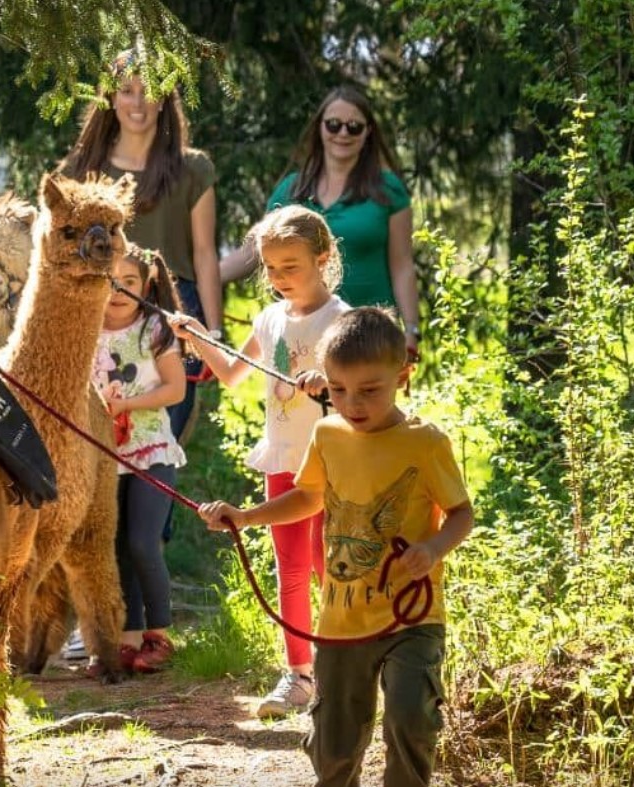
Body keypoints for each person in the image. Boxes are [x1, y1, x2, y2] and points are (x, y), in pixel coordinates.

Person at [198, 307, 474, 787]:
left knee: (411, 717)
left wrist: (432, 549)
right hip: (342, 622)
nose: (353, 403)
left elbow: (462, 514)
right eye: (339, 389)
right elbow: (308, 498)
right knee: (335, 743)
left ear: (402, 376)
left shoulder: (425, 442)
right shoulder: (326, 434)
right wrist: (244, 517)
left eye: (370, 390)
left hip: (413, 618)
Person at [171, 204, 349, 716]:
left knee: (329, 568)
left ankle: (343, 667)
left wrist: (328, 385)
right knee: (289, 569)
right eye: (270, 267)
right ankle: (299, 675)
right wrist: (198, 338)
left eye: (290, 265)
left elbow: (361, 393)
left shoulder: (341, 320)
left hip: (332, 467)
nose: (278, 278)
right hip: (283, 461)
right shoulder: (269, 318)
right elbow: (230, 372)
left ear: (323, 256)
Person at [60, 46, 222, 442]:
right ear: (110, 97)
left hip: (171, 310)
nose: (138, 102)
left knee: (158, 446)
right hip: (100, 310)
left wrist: (213, 336)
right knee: (96, 446)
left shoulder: (193, 169)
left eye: (149, 91)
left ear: (165, 99)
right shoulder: (80, 169)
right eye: (127, 90)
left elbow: (204, 255)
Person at [219, 85, 422, 363]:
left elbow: (402, 267)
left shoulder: (388, 190)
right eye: (334, 124)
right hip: (302, 331)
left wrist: (411, 330)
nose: (342, 134)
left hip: (369, 330)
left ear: (368, 132)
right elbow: (254, 251)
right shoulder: (291, 189)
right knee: (295, 403)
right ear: (320, 128)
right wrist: (201, 280)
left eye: (354, 127)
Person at [89, 244, 186, 675]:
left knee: (143, 541)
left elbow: (175, 389)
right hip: (104, 456)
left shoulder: (154, 328)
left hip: (151, 451)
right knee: (115, 548)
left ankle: (160, 634)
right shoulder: (85, 330)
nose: (118, 290)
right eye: (110, 280)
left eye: (128, 282)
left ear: (145, 285)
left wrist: (128, 405)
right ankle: (126, 639)